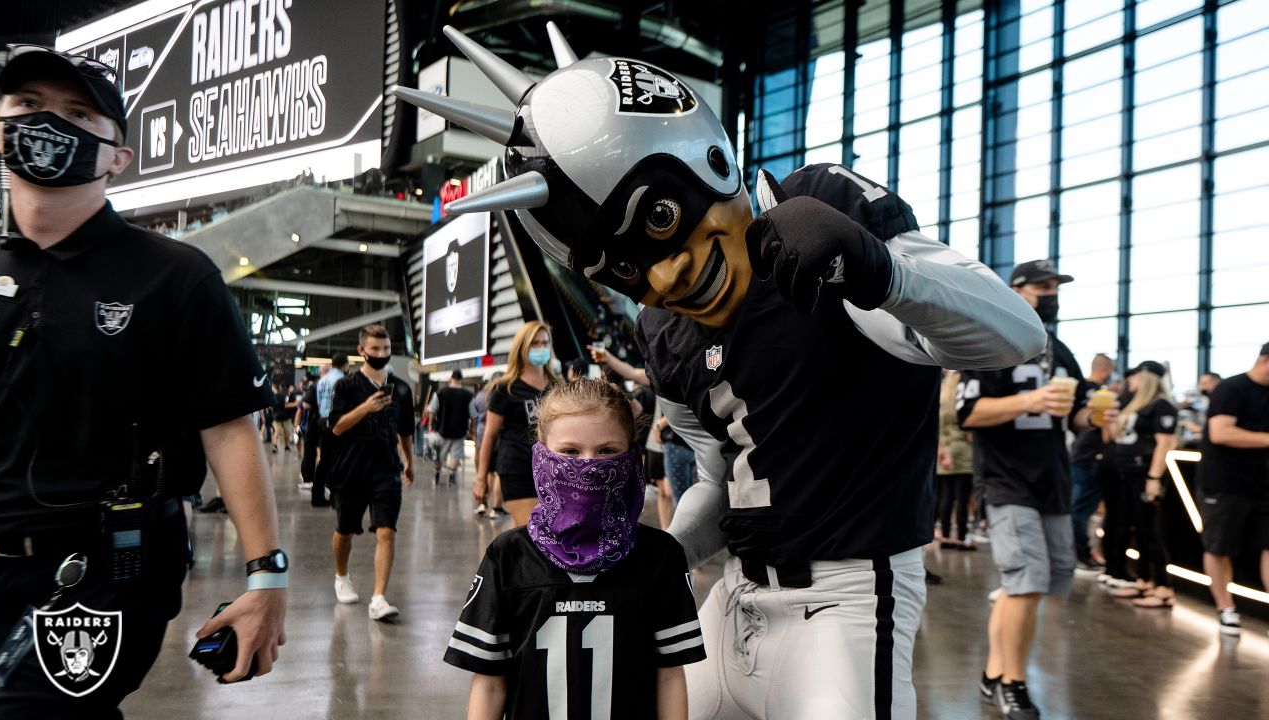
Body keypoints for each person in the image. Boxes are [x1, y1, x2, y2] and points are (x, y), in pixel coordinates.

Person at [397, 27, 1047, 719]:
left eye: (660, 219)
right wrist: (647, 561)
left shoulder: (823, 205)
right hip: (732, 597)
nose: (665, 271)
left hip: (846, 597)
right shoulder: (662, 329)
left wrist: (875, 265)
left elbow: (1015, 335)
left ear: (703, 156)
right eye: (625, 267)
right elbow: (719, 477)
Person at [0, 46, 286, 714]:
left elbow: (230, 428)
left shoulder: (175, 278)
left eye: (76, 113)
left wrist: (267, 576)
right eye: (29, 107)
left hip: (101, 571)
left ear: (116, 158)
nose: (48, 123)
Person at [445, 378, 704, 720]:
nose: (588, 467)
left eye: (607, 451)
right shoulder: (508, 555)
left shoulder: (660, 556)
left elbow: (669, 675)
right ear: (541, 456)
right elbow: (491, 683)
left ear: (631, 457)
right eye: (569, 452)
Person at [959, 259, 1116, 720]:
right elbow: (968, 412)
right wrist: (1029, 400)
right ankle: (1013, 682)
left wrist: (1097, 415)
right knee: (1025, 584)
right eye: (1042, 286)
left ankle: (993, 671)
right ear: (1016, 289)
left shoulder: (1059, 349)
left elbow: (1079, 413)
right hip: (1008, 480)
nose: (1051, 294)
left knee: (1035, 585)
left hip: (1053, 480)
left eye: (1055, 287)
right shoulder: (991, 339)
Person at [326, 326, 415, 622]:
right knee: (345, 530)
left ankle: (378, 598)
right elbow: (337, 427)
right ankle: (341, 576)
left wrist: (409, 461)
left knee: (386, 531)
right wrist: (365, 408)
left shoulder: (401, 388)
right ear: (362, 350)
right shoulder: (347, 386)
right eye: (374, 349)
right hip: (351, 470)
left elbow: (405, 431)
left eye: (385, 348)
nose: (381, 354)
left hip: (387, 471)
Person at [1196, 342, 1269, 636]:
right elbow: (1221, 432)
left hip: (1262, 484)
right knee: (1219, 546)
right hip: (1224, 483)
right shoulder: (1231, 389)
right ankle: (1226, 607)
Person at [1104, 361, 1178, 608]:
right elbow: (1115, 436)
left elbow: (1165, 443)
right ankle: (1144, 581)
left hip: (1144, 475)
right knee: (1135, 527)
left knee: (1149, 531)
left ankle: (1164, 587)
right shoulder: (1134, 404)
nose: (1130, 381)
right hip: (1126, 473)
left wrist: (1154, 478)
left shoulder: (1161, 406)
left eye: (1135, 377)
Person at [474, 321, 559, 528]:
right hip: (517, 469)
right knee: (530, 530)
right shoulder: (506, 389)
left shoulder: (557, 387)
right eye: (534, 343)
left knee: (540, 534)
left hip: (552, 472)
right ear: (522, 348)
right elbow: (490, 436)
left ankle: (514, 561)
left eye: (544, 343)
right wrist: (481, 478)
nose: (541, 348)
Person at [1070, 353, 1116, 568]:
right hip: (1091, 458)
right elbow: (1107, 433)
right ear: (1107, 370)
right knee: (1080, 511)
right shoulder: (1101, 395)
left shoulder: (1082, 390)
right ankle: (1080, 555)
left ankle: (1076, 554)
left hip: (1079, 454)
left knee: (1078, 508)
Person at [937, 371, 975, 550]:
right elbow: (968, 431)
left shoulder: (942, 401)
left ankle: (945, 536)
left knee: (946, 496)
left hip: (944, 450)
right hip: (963, 451)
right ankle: (961, 537)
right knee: (962, 497)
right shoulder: (960, 402)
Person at [426, 369, 475, 486]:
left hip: (441, 429)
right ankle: (452, 478)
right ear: (461, 380)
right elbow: (473, 415)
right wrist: (471, 429)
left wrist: (430, 425)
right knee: (455, 455)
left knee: (438, 454)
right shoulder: (468, 395)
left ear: (451, 379)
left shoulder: (440, 392)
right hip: (460, 430)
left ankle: (437, 475)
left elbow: (432, 410)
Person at [313, 353, 349, 508]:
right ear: (346, 365)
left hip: (322, 421)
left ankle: (317, 496)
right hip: (336, 423)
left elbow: (319, 401)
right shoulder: (342, 380)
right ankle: (336, 498)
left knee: (324, 462)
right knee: (339, 460)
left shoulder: (322, 380)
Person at [470, 372, 507, 518]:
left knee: (484, 472)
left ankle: (482, 504)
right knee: (498, 474)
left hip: (481, 435)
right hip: (499, 437)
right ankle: (496, 508)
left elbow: (473, 414)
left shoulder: (480, 396)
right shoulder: (504, 395)